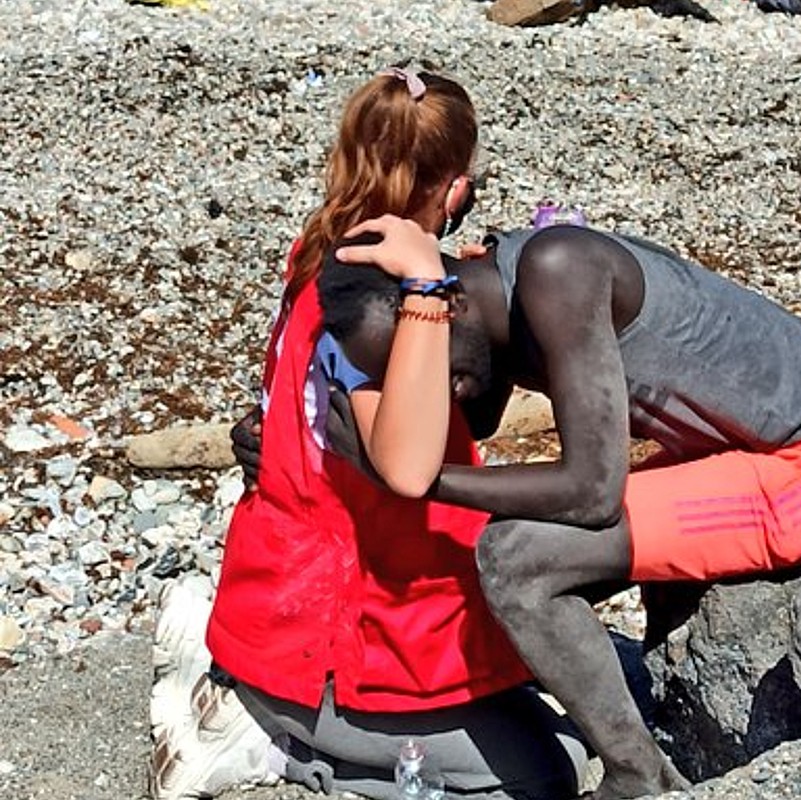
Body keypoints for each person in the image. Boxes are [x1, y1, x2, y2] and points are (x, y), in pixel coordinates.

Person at [312, 219, 801, 799]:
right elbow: (479, 417)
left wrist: (413, 480)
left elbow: (591, 493)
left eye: (421, 364)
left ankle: (638, 775)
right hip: (748, 456)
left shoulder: (555, 272)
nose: (434, 389)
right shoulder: (489, 290)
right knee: (485, 564)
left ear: (454, 302)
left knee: (516, 558)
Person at [151, 65, 590, 800]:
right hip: (328, 641)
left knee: (577, 732)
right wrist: (425, 288)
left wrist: (454, 282)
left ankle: (240, 675)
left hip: (293, 596)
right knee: (546, 777)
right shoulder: (386, 303)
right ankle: (268, 744)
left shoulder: (319, 248)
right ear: (454, 188)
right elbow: (409, 469)